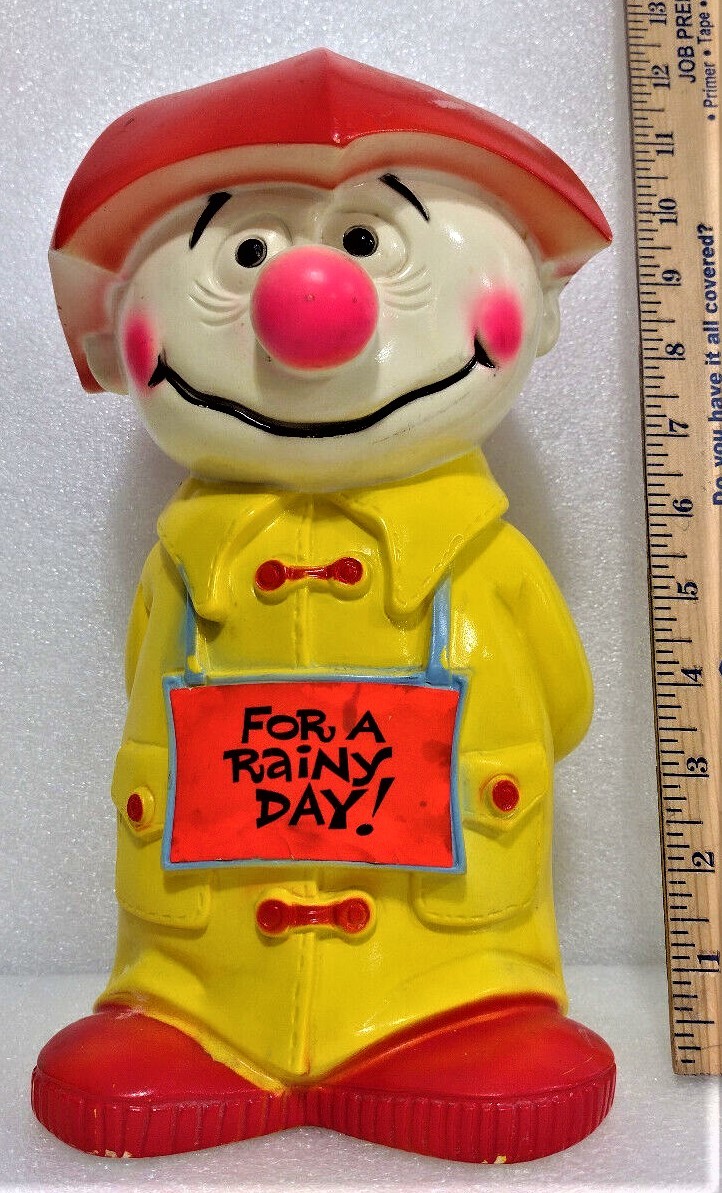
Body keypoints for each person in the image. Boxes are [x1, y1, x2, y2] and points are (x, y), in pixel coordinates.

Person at [33, 49, 615, 1163]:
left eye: (368, 242)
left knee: (483, 1026)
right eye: (244, 253)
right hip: (199, 970)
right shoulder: (179, 567)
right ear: (115, 343)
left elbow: (565, 711)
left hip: (452, 964)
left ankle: (457, 1011)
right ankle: (192, 1015)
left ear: (535, 310)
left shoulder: (486, 560)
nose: (311, 306)